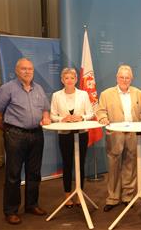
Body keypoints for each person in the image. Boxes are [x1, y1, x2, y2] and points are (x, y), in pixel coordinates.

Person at [0, 58, 51, 225]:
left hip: (37, 135)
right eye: (24, 69)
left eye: (30, 69)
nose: (27, 72)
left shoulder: (38, 88)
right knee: (13, 175)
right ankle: (11, 211)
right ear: (17, 71)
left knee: (34, 173)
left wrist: (46, 118)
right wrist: (9, 131)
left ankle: (31, 205)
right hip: (15, 135)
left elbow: (45, 110)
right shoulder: (7, 89)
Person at [96, 64, 141, 212]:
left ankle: (127, 197)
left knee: (130, 167)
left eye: (127, 77)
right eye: (122, 77)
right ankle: (112, 198)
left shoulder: (139, 93)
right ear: (117, 78)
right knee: (113, 167)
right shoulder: (106, 94)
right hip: (115, 135)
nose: (124, 80)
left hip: (133, 135)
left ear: (131, 79)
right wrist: (103, 118)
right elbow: (100, 111)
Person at [50, 68, 94, 208]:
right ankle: (68, 195)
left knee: (80, 164)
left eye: (72, 77)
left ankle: (79, 193)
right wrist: (64, 118)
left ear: (76, 79)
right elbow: (52, 116)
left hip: (81, 134)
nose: (69, 80)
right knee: (67, 165)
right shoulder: (56, 95)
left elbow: (91, 113)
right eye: (66, 78)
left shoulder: (83, 94)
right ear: (62, 80)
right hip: (65, 135)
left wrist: (81, 117)